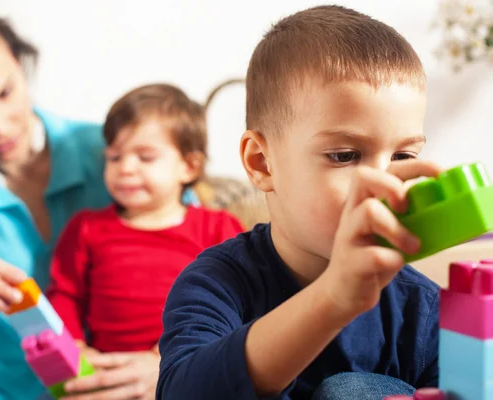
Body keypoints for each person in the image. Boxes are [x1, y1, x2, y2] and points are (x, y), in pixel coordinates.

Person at [0, 1, 191, 399]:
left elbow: (208, 280)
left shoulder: (118, 157)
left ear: (21, 63)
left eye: (5, 92)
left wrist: (170, 365)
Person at [157, 5, 442, 400]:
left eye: (403, 157)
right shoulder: (216, 284)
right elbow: (182, 393)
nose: (382, 184)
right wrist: (334, 298)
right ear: (262, 163)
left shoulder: (422, 308)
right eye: (345, 155)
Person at [45, 83, 244, 397]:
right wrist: (76, 348)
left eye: (145, 157)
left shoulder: (217, 229)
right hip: (108, 372)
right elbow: (65, 295)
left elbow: (239, 300)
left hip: (189, 364)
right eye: (114, 157)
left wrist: (166, 355)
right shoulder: (86, 228)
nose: (125, 168)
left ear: (188, 166)